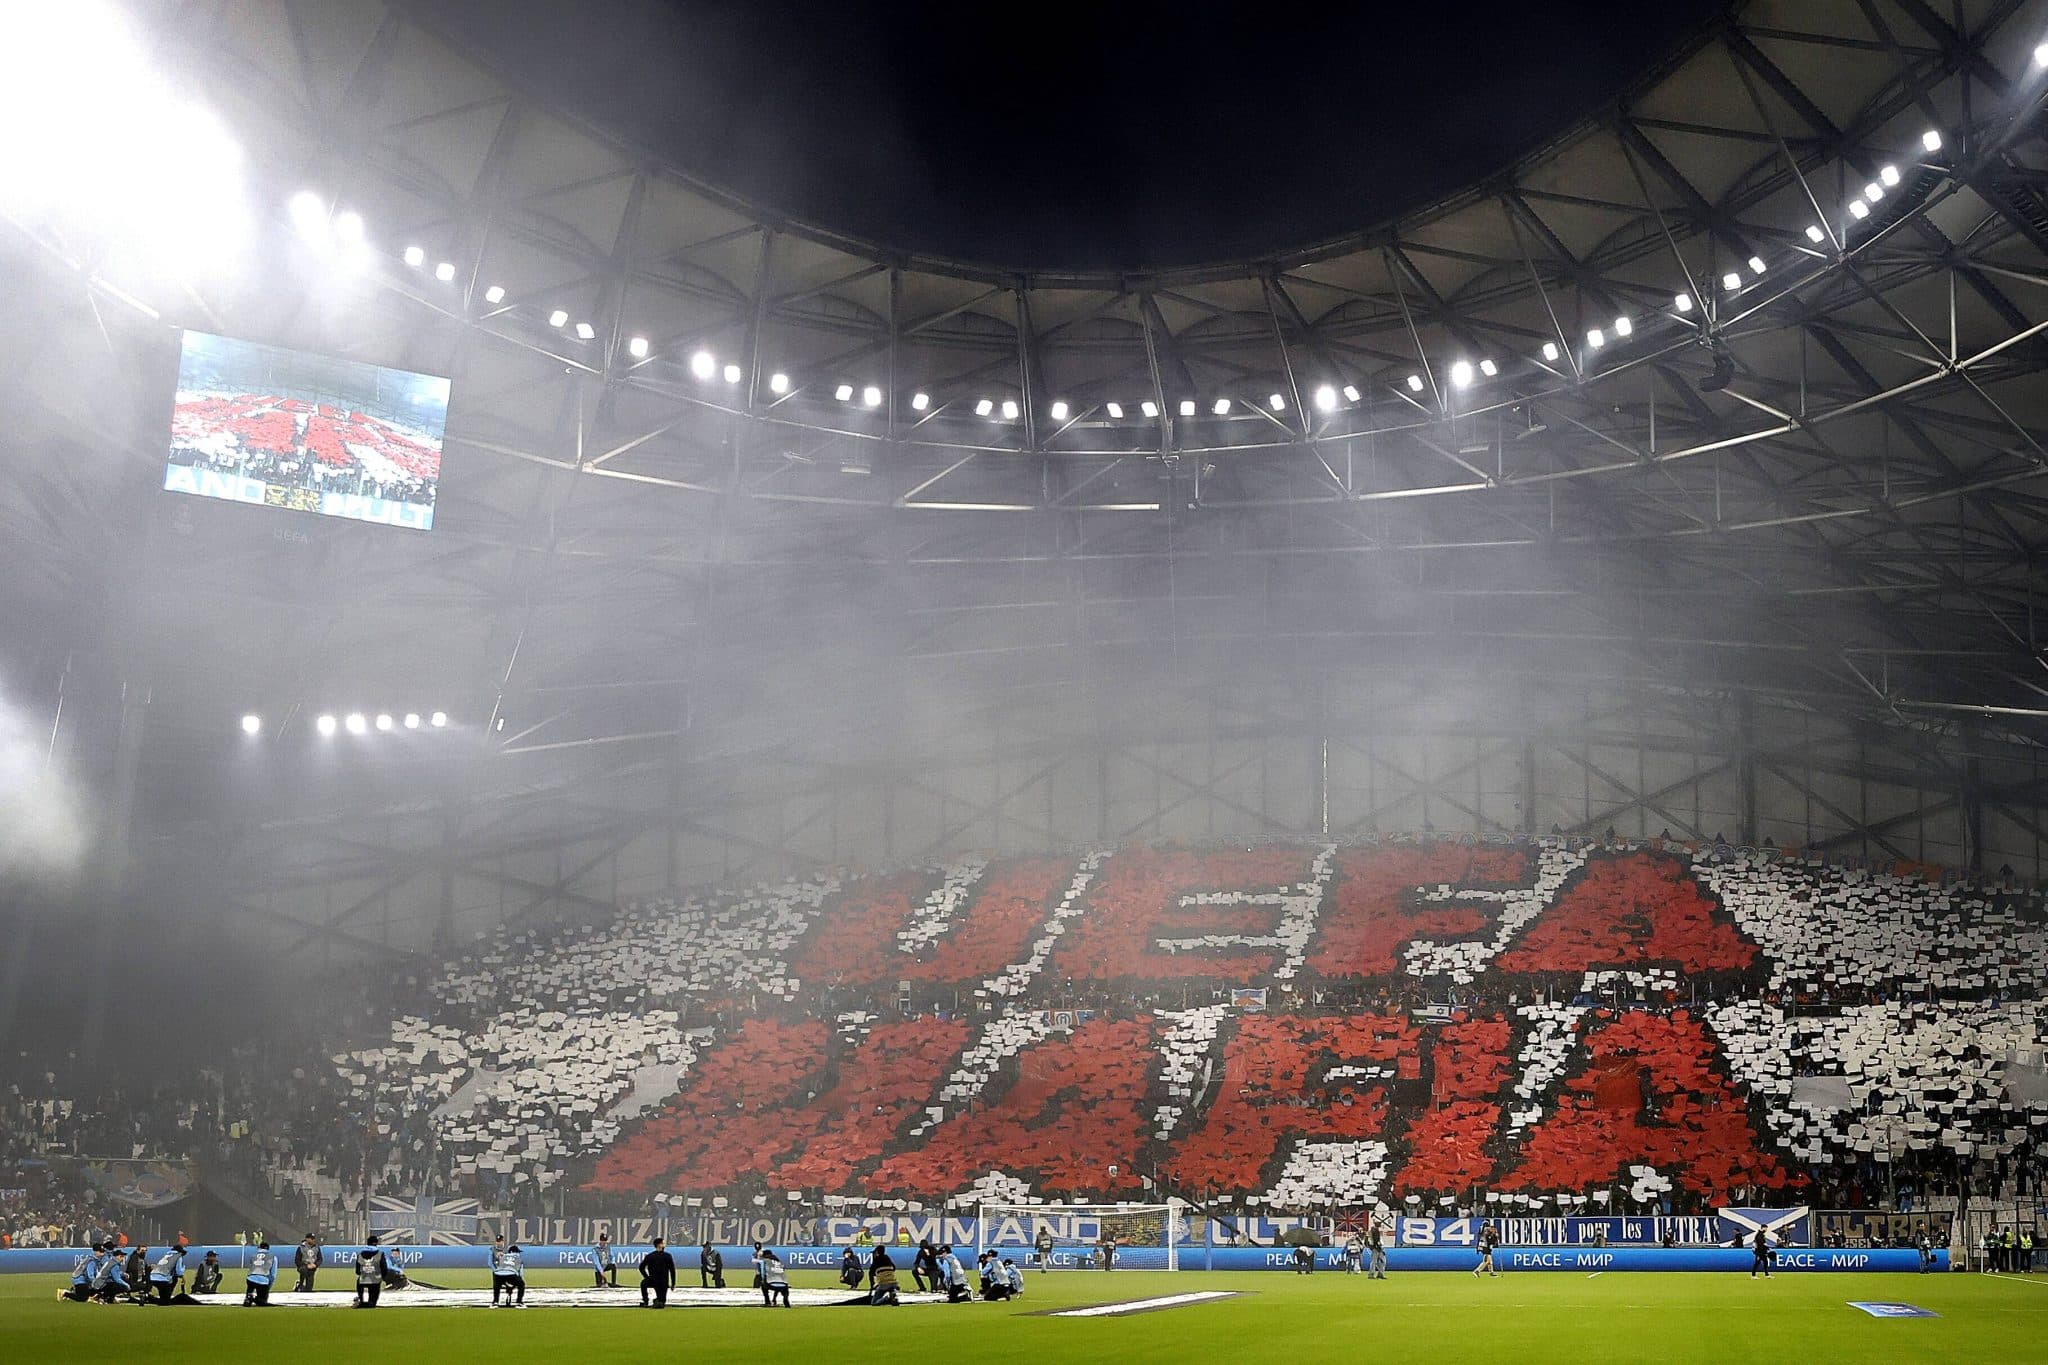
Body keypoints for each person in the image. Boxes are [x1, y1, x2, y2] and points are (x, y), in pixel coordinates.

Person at [639, 1237, 675, 1309]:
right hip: (663, 1283)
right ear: (659, 1245)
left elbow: (641, 1267)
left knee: (643, 1283)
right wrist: (673, 1283)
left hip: (653, 1280)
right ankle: (656, 1301)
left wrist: (647, 1277)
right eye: (663, 1243)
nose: (665, 1244)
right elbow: (672, 1270)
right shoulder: (667, 1256)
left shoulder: (650, 1256)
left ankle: (646, 1300)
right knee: (662, 1302)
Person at [353, 1238, 388, 1308]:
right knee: (372, 1303)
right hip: (376, 1280)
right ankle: (364, 1304)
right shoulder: (380, 1254)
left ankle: (360, 1300)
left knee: (359, 1281)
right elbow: (384, 1268)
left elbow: (357, 1271)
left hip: (362, 1280)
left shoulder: (360, 1254)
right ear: (376, 1243)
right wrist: (383, 1277)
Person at [493, 1242, 527, 1307]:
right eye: (517, 1252)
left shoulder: (503, 1256)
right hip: (511, 1274)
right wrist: (513, 1286)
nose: (518, 1253)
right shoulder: (518, 1259)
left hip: (497, 1274)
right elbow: (520, 1274)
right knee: (521, 1284)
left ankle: (495, 1302)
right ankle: (519, 1302)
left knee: (497, 1286)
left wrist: (507, 1285)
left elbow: (497, 1267)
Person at [245, 1240, 277, 1306]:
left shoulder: (253, 1255)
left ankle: (248, 1298)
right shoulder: (273, 1257)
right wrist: (268, 1286)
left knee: (250, 1289)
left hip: (250, 1279)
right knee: (262, 1301)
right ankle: (253, 1298)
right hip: (263, 1280)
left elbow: (251, 1267)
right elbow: (273, 1274)